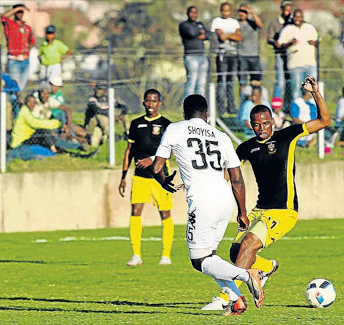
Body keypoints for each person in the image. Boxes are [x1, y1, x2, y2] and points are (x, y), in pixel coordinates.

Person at [201, 76, 330, 311]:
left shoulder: (287, 136)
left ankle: (229, 297)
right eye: (257, 124)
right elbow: (227, 175)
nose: (262, 129)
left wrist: (315, 93)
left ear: (273, 121)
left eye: (266, 123)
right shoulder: (246, 148)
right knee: (235, 252)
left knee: (248, 244)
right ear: (251, 124)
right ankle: (265, 268)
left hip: (283, 210)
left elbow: (324, 120)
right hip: (260, 209)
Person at [151, 94, 264, 315]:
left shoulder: (175, 129)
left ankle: (247, 275)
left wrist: (164, 182)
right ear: (206, 114)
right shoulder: (222, 136)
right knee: (209, 255)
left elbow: (157, 167)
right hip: (225, 199)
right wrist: (242, 211)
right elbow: (237, 178)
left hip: (202, 201)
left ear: (185, 114)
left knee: (199, 260)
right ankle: (235, 299)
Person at [118, 89, 174, 266]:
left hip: (161, 177)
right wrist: (123, 177)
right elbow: (129, 151)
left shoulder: (167, 125)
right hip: (140, 177)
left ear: (160, 103)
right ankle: (136, 255)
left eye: (154, 101)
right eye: (147, 101)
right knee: (135, 212)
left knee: (165, 213)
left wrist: (152, 160)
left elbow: (172, 150)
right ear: (143, 103)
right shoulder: (136, 124)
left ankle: (166, 255)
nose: (150, 104)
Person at [277, 9, 318, 100]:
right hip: (295, 64)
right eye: (295, 17)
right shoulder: (288, 29)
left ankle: (313, 109)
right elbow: (280, 44)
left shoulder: (309, 28)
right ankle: (297, 110)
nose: (297, 19)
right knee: (296, 89)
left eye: (299, 17)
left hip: (310, 63)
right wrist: (290, 43)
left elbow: (317, 41)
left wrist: (314, 43)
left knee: (312, 88)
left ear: (303, 17)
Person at [211, 2, 242, 116]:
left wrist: (227, 35)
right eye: (224, 10)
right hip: (222, 55)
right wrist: (231, 35)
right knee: (222, 81)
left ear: (231, 11)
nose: (226, 13)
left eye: (228, 10)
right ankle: (220, 108)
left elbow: (239, 37)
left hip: (233, 55)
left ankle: (231, 107)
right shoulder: (217, 21)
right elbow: (222, 37)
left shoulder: (234, 22)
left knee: (231, 82)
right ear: (221, 11)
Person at [1, 4, 35, 90]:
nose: (19, 14)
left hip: (25, 61)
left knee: (21, 87)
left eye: (21, 12)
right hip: (14, 60)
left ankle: (16, 102)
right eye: (17, 12)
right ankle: (13, 102)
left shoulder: (27, 28)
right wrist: (18, 8)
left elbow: (31, 41)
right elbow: (3, 17)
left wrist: (28, 51)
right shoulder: (10, 25)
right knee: (15, 87)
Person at [84, 83, 129, 148]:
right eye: (97, 89)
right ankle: (111, 135)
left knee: (125, 117)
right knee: (101, 117)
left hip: (107, 118)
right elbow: (96, 111)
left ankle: (127, 134)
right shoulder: (92, 99)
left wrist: (121, 114)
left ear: (105, 91)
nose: (97, 91)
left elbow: (123, 107)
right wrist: (112, 116)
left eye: (100, 89)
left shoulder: (109, 99)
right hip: (93, 122)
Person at [179, 6, 209, 99]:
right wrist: (200, 32)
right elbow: (191, 33)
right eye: (192, 12)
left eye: (195, 13)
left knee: (201, 83)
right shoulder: (184, 25)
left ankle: (200, 106)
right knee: (192, 81)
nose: (194, 15)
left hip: (202, 56)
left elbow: (209, 34)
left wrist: (201, 33)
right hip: (191, 56)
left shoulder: (200, 24)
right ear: (187, 13)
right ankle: (188, 106)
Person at [267, 1, 293, 99]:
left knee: (291, 81)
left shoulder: (292, 22)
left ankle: (288, 104)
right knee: (280, 82)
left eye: (290, 11)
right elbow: (269, 39)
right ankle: (276, 105)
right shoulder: (275, 23)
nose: (289, 13)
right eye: (287, 11)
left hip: (292, 55)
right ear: (281, 10)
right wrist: (275, 43)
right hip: (280, 55)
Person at [237, 4, 264, 91]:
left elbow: (261, 25)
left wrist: (252, 13)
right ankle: (243, 102)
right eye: (240, 11)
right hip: (241, 56)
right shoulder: (236, 24)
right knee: (242, 82)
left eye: (244, 12)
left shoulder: (253, 23)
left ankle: (256, 100)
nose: (242, 14)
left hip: (254, 56)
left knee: (256, 82)